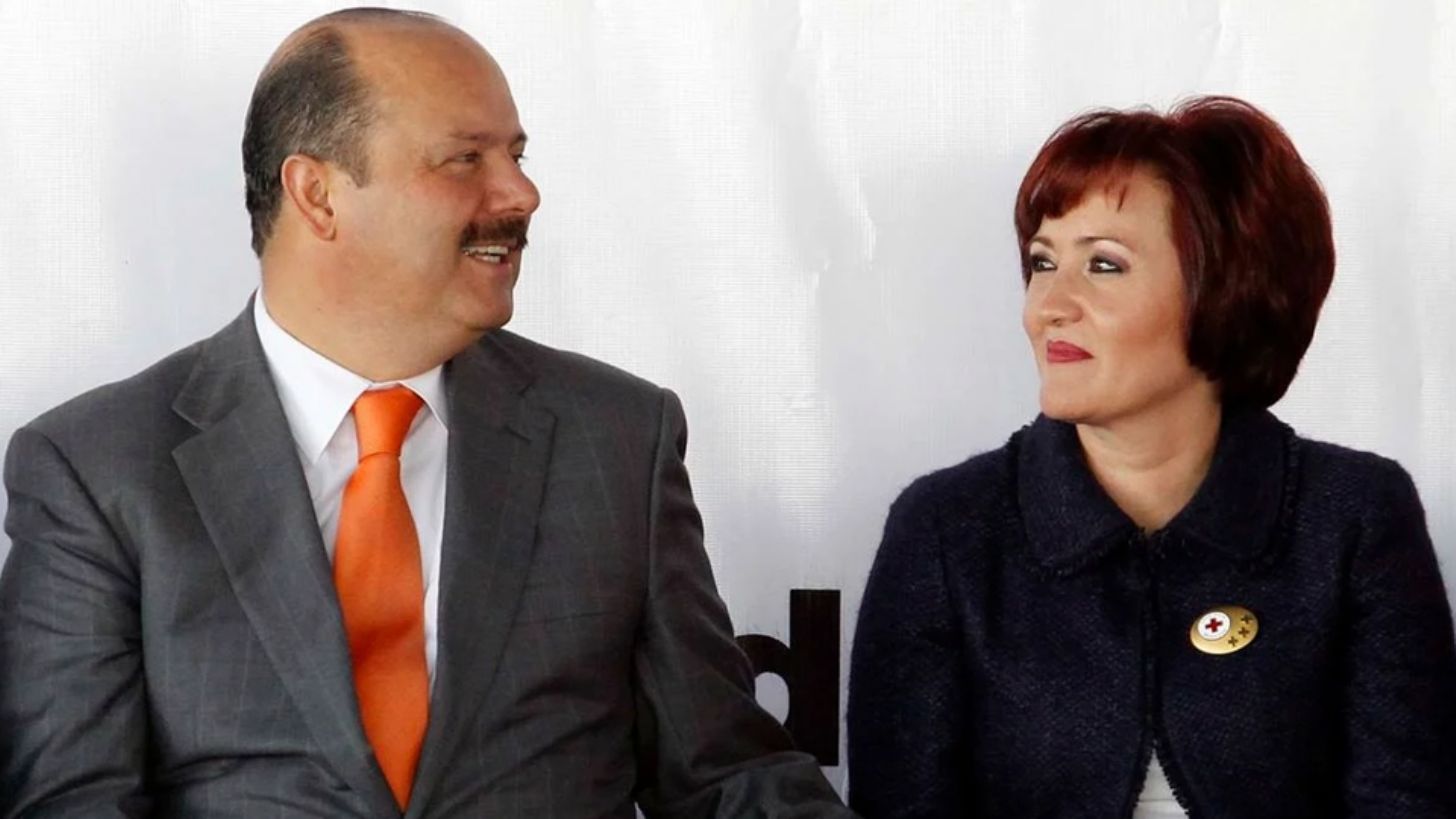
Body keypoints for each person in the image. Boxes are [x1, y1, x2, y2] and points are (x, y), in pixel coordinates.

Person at [0, 9, 853, 817]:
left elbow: (726, 778)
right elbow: (73, 801)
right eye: (464, 159)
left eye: (516, 154)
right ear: (318, 195)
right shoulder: (99, 470)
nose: (521, 193)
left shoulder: (618, 439)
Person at [847, 96, 1456, 817]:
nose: (1050, 305)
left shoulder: (1355, 517)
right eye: (1043, 262)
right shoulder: (945, 529)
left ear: (1227, 286)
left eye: (1104, 265)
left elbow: (1405, 801)